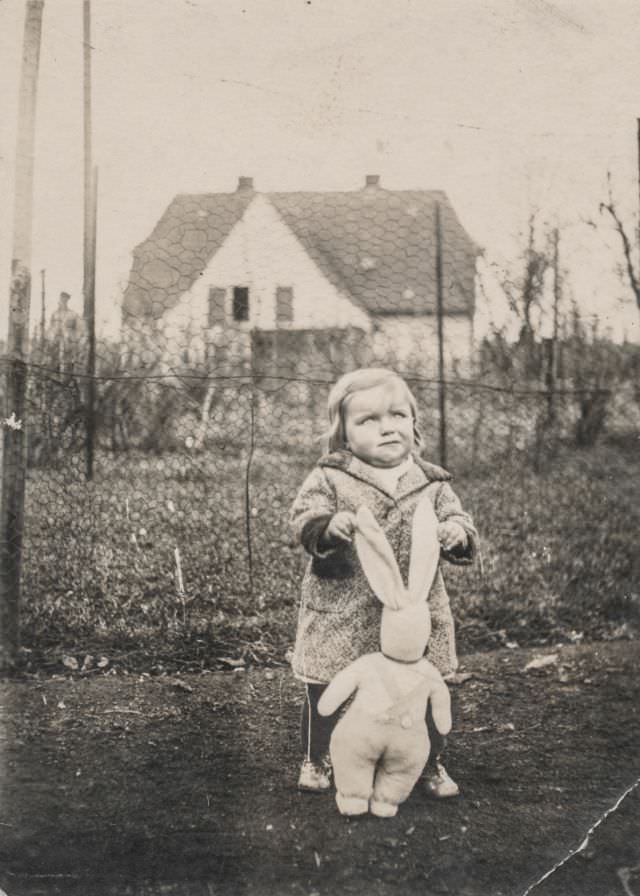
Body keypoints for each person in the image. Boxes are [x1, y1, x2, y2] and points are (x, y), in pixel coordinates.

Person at [289, 367, 477, 798]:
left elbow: (457, 517)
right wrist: (327, 526)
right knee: (326, 683)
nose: (387, 427)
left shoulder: (432, 482)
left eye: (397, 415)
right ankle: (317, 757)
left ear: (415, 422)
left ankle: (428, 761)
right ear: (343, 435)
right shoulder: (331, 475)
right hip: (344, 604)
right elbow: (303, 515)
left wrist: (457, 533)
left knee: (422, 685)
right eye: (367, 420)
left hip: (415, 612)